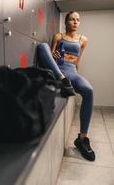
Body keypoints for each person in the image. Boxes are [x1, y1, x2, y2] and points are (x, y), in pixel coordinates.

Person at [36, 11, 95, 161]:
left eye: (78, 20)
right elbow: (49, 57)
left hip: (72, 72)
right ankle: (62, 80)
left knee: (89, 90)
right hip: (58, 71)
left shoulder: (83, 40)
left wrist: (76, 78)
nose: (75, 22)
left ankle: (82, 139)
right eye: (72, 19)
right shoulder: (58, 36)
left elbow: (78, 60)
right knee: (43, 47)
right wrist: (54, 54)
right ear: (66, 22)